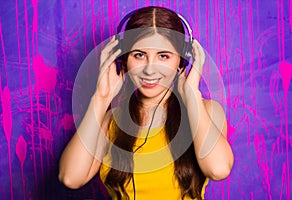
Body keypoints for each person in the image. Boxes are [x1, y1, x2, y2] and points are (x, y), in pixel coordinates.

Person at [59, 6, 234, 200]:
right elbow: (70, 177)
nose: (150, 70)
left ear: (182, 60)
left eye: (164, 56)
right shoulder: (110, 121)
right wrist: (101, 97)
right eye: (139, 55)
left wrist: (192, 94)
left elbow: (218, 169)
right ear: (123, 58)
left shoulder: (207, 111)